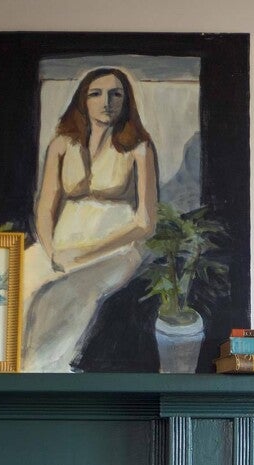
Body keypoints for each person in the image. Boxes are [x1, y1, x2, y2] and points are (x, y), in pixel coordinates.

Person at [21, 68, 158, 372]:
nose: (106, 101)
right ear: (82, 100)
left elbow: (145, 223)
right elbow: (45, 208)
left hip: (118, 249)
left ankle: (45, 373)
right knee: (18, 282)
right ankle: (5, 372)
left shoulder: (138, 147)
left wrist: (85, 255)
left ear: (127, 100)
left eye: (115, 93)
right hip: (60, 244)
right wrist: (52, 251)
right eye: (96, 93)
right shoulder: (61, 144)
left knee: (69, 292)